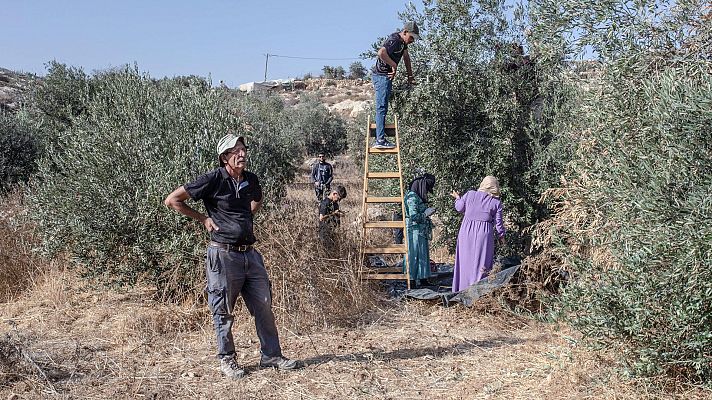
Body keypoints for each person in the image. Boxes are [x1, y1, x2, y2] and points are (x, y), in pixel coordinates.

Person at [164, 132, 301, 379]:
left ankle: (271, 356)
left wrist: (244, 218)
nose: (242, 154)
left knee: (264, 305)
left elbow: (257, 199)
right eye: (235, 151)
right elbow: (172, 200)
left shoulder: (251, 179)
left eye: (243, 149)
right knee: (223, 309)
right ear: (224, 156)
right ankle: (227, 360)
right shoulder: (213, 179)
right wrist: (204, 218)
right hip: (223, 255)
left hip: (250, 254)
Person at [451, 176, 506, 292]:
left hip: (466, 231)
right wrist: (502, 236)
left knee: (465, 260)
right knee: (481, 262)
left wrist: (458, 198)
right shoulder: (496, 202)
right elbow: (499, 223)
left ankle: (462, 289)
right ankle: (478, 291)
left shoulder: (470, 194)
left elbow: (460, 208)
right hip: (484, 234)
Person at [371, 21, 420, 149]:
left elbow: (406, 58)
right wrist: (393, 65)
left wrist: (410, 77)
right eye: (411, 37)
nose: (412, 40)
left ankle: (380, 138)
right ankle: (380, 140)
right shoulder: (395, 40)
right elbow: (381, 52)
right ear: (404, 32)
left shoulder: (403, 43)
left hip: (386, 78)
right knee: (381, 107)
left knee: (384, 107)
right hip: (382, 77)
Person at [403, 172, 436, 287]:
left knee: (422, 254)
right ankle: (411, 280)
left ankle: (423, 278)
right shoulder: (411, 197)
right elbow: (413, 217)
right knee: (414, 254)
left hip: (420, 231)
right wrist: (426, 214)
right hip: (414, 231)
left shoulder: (416, 196)